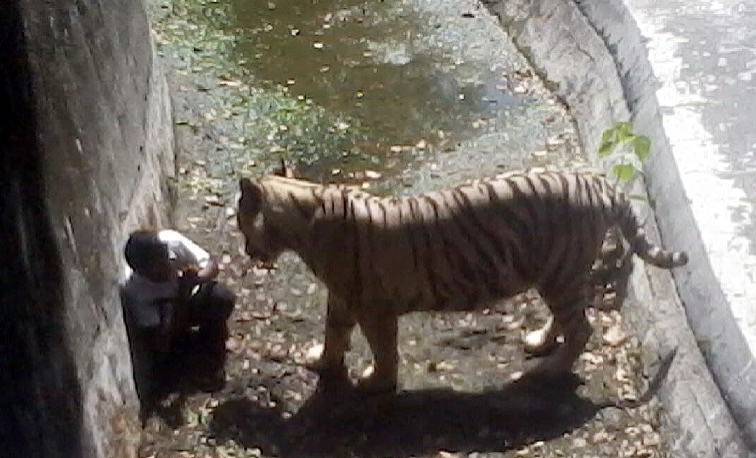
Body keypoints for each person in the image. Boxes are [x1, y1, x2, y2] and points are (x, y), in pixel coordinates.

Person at [120, 229, 235, 404]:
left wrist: (196, 279)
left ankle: (212, 343)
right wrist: (181, 296)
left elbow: (212, 265)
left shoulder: (171, 242)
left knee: (221, 297)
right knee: (169, 362)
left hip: (189, 298)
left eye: (165, 256)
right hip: (170, 323)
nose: (167, 264)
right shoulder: (136, 292)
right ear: (143, 271)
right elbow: (161, 342)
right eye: (158, 265)